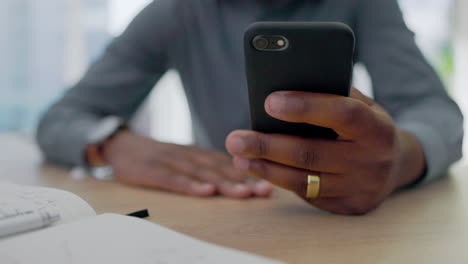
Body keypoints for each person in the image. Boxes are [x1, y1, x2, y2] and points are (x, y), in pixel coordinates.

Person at [37, 0, 463, 215]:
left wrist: (402, 157)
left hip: (337, 211)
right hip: (223, 205)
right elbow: (61, 118)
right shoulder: (176, 11)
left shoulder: (366, 4)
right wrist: (111, 145)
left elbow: (436, 112)